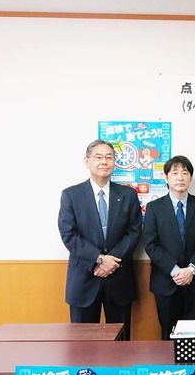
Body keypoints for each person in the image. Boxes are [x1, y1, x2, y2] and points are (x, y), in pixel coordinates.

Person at [58, 139, 141, 340]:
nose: (104, 161)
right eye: (98, 157)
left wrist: (111, 261)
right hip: (84, 279)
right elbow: (69, 234)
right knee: (83, 344)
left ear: (114, 162)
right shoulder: (71, 195)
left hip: (119, 277)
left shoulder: (128, 194)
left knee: (121, 342)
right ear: (87, 161)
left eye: (109, 157)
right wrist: (99, 258)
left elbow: (134, 231)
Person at [143, 155, 195, 339]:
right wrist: (175, 270)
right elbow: (151, 244)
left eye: (185, 173)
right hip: (166, 282)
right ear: (166, 177)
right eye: (175, 173)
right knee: (168, 334)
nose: (180, 177)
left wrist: (191, 270)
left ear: (191, 177)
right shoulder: (154, 208)